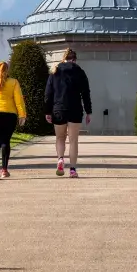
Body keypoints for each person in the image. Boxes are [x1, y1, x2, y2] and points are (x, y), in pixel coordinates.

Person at [44, 48, 92, 178]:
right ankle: (72, 169)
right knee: (73, 140)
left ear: (63, 58)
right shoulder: (79, 72)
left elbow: (48, 94)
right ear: (74, 59)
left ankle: (60, 159)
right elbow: (86, 93)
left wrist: (47, 111)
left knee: (60, 138)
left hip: (58, 110)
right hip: (75, 110)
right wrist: (89, 112)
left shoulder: (54, 71)